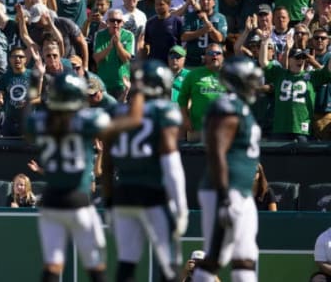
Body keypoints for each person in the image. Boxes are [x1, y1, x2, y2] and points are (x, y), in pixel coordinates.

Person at [25, 73, 143, 282]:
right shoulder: (88, 120)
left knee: (52, 266)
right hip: (77, 201)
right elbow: (130, 121)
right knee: (95, 267)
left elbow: (28, 121)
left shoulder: (40, 121)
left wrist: (34, 90)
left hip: (50, 202)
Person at [103, 60, 187, 282]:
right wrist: (180, 205)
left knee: (126, 263)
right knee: (169, 264)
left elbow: (107, 162)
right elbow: (171, 163)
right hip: (152, 194)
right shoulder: (163, 112)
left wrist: (109, 201)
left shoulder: (117, 112)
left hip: (123, 194)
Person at [193, 57, 264, 282]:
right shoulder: (227, 106)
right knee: (217, 255)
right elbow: (216, 150)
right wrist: (224, 196)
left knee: (246, 255)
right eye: (250, 80)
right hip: (225, 190)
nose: (255, 85)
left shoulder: (240, 107)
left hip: (240, 190)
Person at [178, 42, 226, 141]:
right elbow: (182, 98)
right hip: (197, 129)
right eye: (210, 53)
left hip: (224, 130)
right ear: (205, 57)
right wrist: (185, 120)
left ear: (223, 56)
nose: (214, 56)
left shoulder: (230, 75)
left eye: (218, 53)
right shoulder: (193, 74)